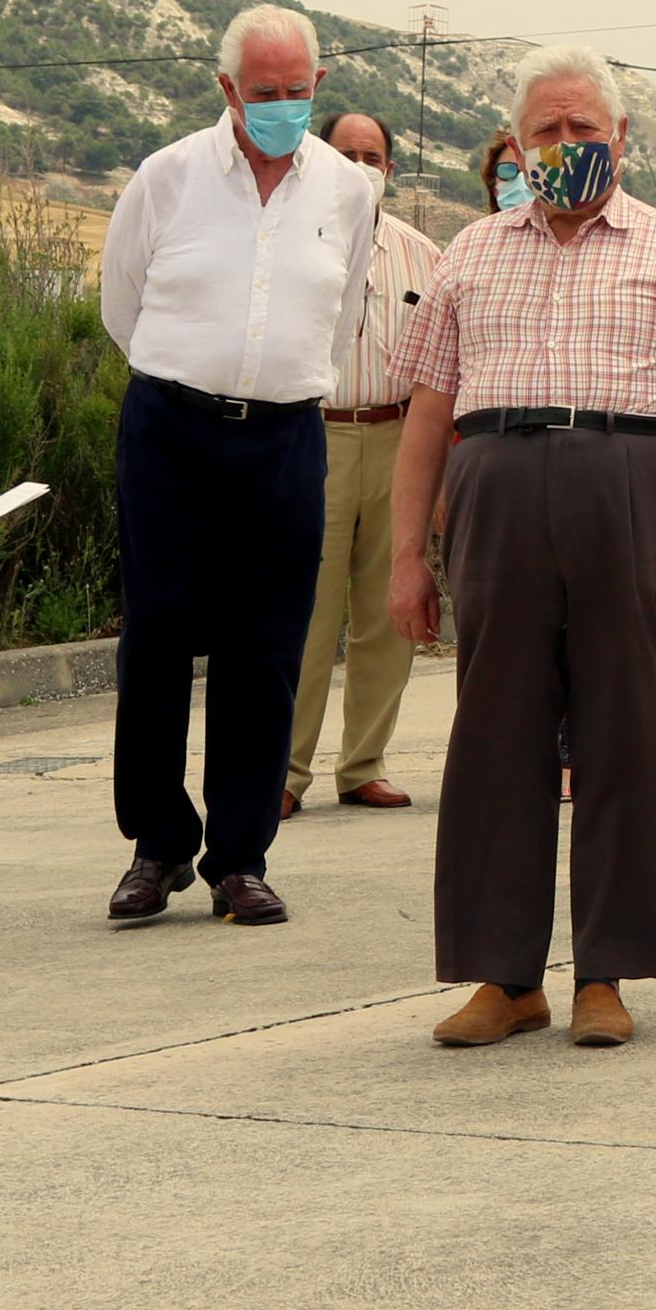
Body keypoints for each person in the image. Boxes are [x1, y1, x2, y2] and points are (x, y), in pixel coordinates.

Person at [387, 45, 656, 1051]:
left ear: (620, 136)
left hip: (628, 481)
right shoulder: (469, 252)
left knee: (619, 727)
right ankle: (503, 979)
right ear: (515, 145)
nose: (565, 143)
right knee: (492, 731)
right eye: (545, 130)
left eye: (583, 127)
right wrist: (404, 557)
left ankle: (607, 973)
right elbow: (425, 415)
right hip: (494, 486)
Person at [96, 7, 381, 926]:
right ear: (227, 88)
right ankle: (157, 845)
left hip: (286, 436)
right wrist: (196, 376)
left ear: (318, 84)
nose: (282, 106)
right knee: (157, 636)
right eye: (265, 92)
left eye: (298, 91)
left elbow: (340, 318)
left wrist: (275, 388)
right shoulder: (167, 176)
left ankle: (240, 857)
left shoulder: (348, 191)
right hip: (171, 429)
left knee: (268, 645)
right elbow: (121, 306)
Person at [285, 110, 439, 818]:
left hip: (398, 437)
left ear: (390, 169)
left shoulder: (422, 255)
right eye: (345, 153)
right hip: (311, 437)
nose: (359, 166)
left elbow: (443, 365)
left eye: (371, 156)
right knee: (303, 615)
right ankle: (284, 773)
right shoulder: (290, 244)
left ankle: (364, 765)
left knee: (388, 609)